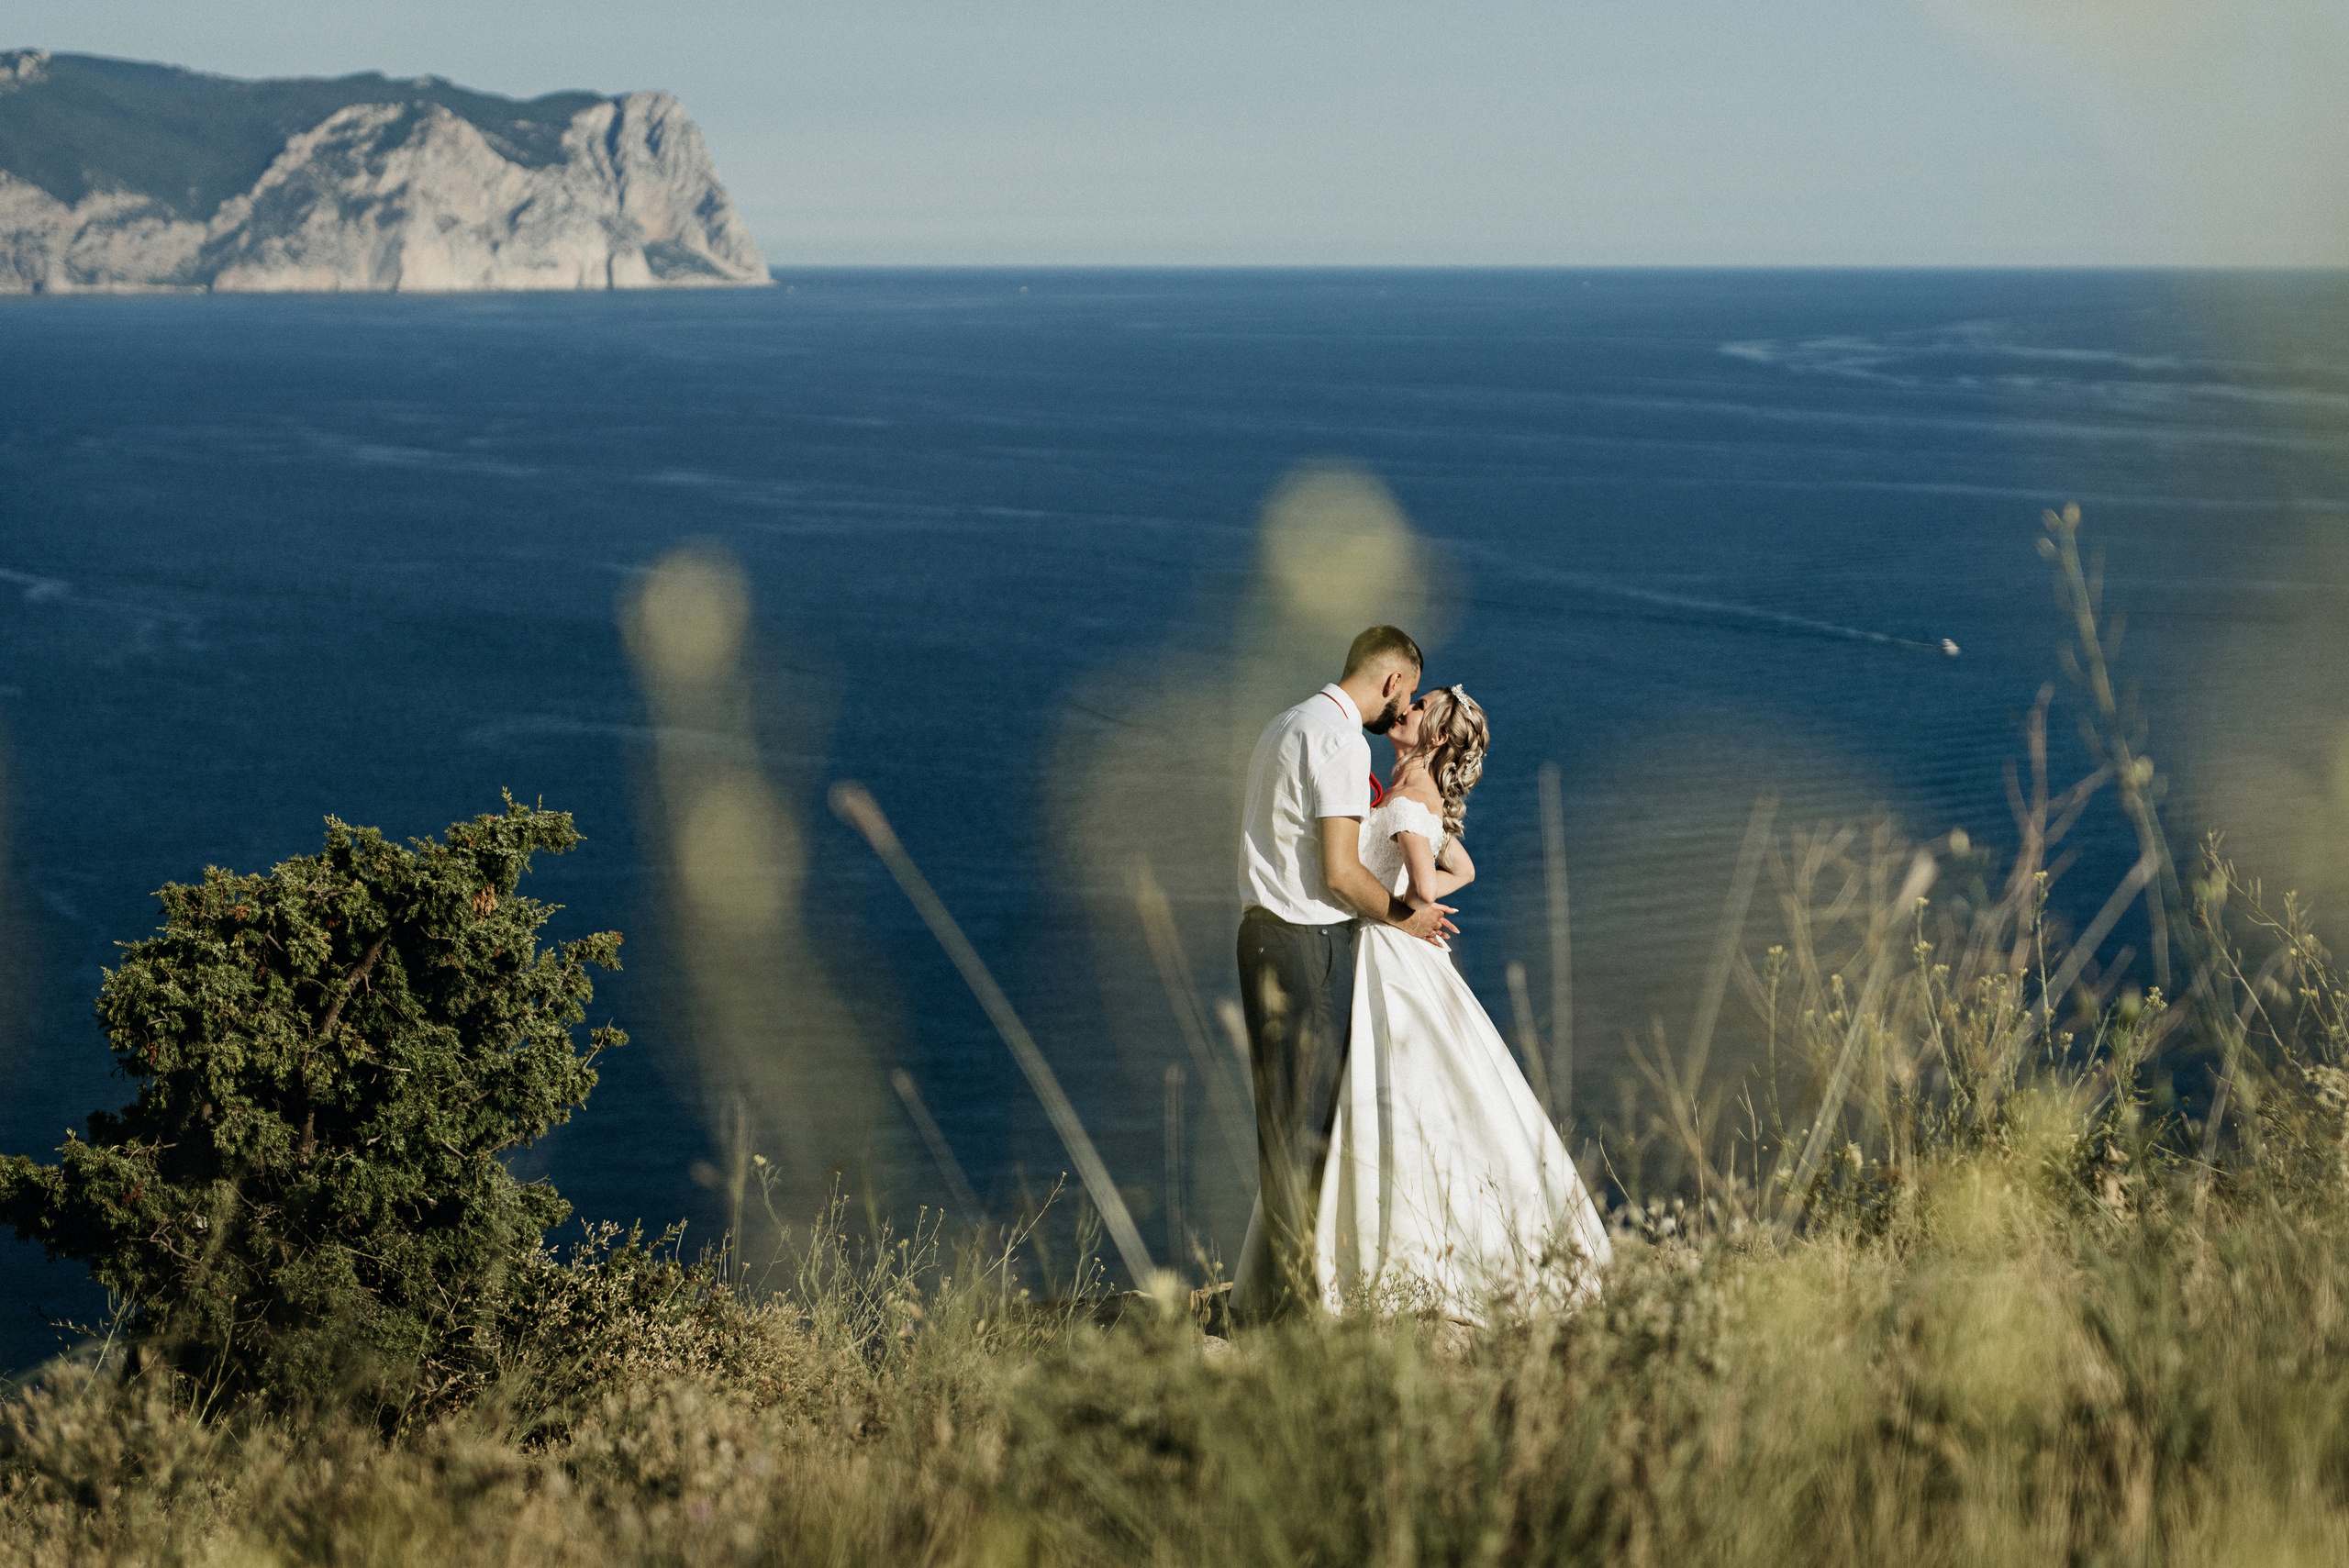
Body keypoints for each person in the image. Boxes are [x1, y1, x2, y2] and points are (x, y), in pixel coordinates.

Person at [1232, 648, 1609, 1322]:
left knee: (1382, 1092)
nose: (1406, 708)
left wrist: (1414, 906)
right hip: (1386, 943)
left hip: (1385, 949)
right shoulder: (1410, 792)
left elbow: (1431, 881)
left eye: (1421, 706)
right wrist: (1414, 893)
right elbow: (1463, 866)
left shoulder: (1408, 796)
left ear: (1435, 736)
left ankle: (1376, 1258)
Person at [1231, 625, 1453, 1322]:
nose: (1406, 707)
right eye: (1408, 695)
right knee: (1308, 1127)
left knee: (1280, 1122)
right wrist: (1406, 917)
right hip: (1307, 943)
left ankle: (1273, 1296)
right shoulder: (1340, 740)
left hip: (1259, 934)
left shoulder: (1285, 723)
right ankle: (1295, 1311)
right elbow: (1340, 871)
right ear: (1393, 681)